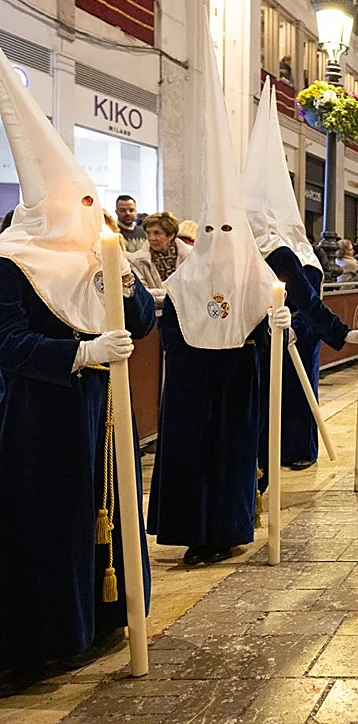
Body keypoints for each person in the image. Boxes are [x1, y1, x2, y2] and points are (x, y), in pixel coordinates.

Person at [0, 46, 155, 671]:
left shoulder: (98, 255)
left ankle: (105, 616)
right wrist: (80, 352)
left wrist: (128, 291)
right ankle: (52, 635)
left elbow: (139, 324)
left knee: (107, 515)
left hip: (104, 410)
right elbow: (7, 343)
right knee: (51, 521)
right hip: (41, 417)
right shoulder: (12, 262)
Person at [150, 30, 288, 567]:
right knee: (190, 456)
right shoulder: (185, 279)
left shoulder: (255, 275)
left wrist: (275, 324)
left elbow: (267, 326)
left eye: (230, 229)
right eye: (212, 228)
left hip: (235, 383)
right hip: (190, 383)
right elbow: (170, 326)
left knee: (230, 456)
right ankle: (191, 533)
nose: (220, 237)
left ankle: (228, 530)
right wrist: (191, 351)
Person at [242, 81, 358, 470]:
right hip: (252, 340)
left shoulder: (285, 254)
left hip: (295, 334)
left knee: (293, 394)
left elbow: (307, 300)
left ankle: (296, 450)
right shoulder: (237, 251)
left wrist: (333, 331)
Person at [128, 211, 191, 298]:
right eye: (148, 233)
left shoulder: (190, 256)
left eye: (157, 233)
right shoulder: (135, 260)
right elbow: (143, 293)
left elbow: (193, 287)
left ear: (171, 235)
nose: (151, 238)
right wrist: (174, 294)